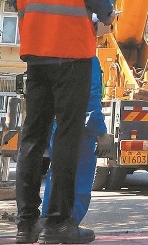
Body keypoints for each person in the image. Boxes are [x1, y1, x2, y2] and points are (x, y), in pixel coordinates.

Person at [13, 0, 114, 244]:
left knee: (32, 138)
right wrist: (106, 15)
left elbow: (20, 0)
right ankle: (57, 224)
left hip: (36, 56)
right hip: (71, 54)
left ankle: (26, 224)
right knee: (67, 138)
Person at [41, 56, 112, 224]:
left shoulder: (57, 56)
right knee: (79, 181)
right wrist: (100, 131)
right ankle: (69, 224)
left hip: (58, 125)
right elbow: (91, 96)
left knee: (57, 176)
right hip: (80, 129)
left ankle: (48, 222)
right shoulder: (88, 58)